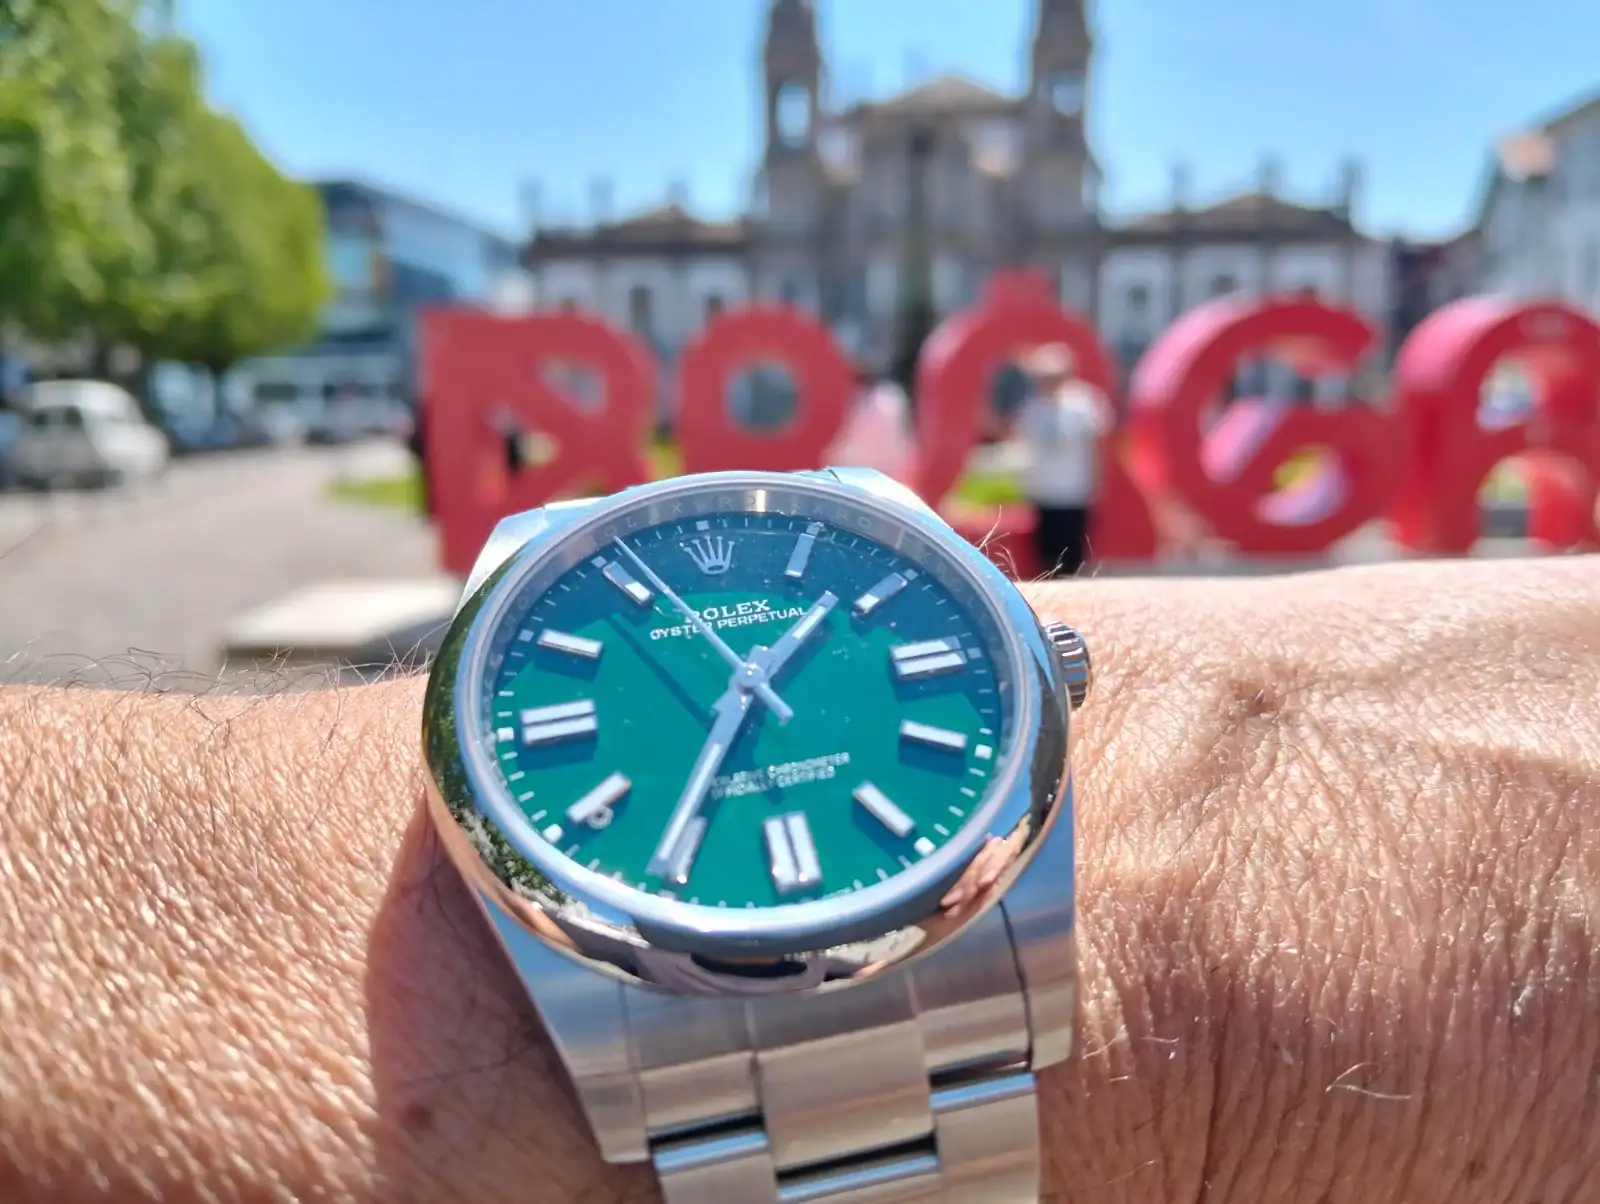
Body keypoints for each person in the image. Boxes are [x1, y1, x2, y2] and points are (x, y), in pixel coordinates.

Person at [1, 555, 1597, 1202]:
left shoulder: (931, 626)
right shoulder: (518, 743)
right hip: (659, 983)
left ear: (1048, 659)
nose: (753, 686)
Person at [1015, 343, 1112, 578]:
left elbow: (1096, 446)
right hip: (1043, 492)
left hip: (1074, 492)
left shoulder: (1084, 404)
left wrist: (1098, 482)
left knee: (1072, 552)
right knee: (1046, 553)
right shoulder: (1032, 407)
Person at [823, 361, 914, 480]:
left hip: (878, 479)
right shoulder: (837, 395)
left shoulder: (889, 398)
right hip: (842, 477)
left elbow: (901, 454)